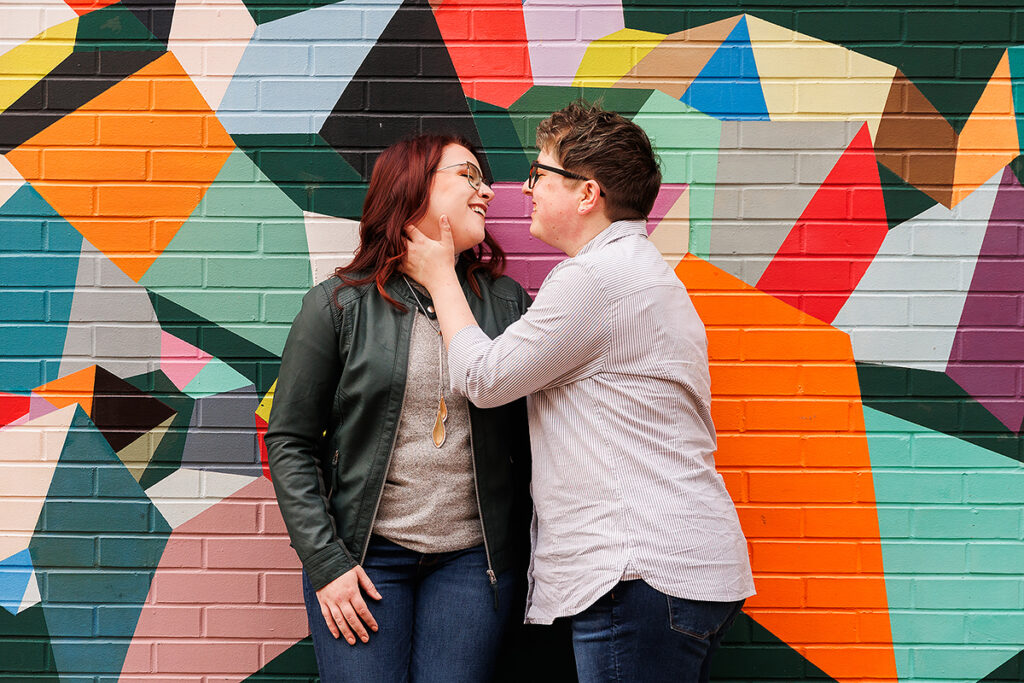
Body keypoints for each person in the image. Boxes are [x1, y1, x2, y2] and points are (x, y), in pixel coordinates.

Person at [402, 102, 755, 683]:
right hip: (675, 573)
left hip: (638, 573)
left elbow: (486, 380)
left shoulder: (597, 279)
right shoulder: (644, 274)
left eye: (540, 175)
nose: (524, 189)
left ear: (587, 193)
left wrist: (441, 275)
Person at [265, 134, 535, 683]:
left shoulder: (506, 303)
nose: (486, 192)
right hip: (364, 559)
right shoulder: (338, 306)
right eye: (468, 176)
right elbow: (289, 440)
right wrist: (326, 563)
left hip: (472, 563)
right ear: (414, 188)